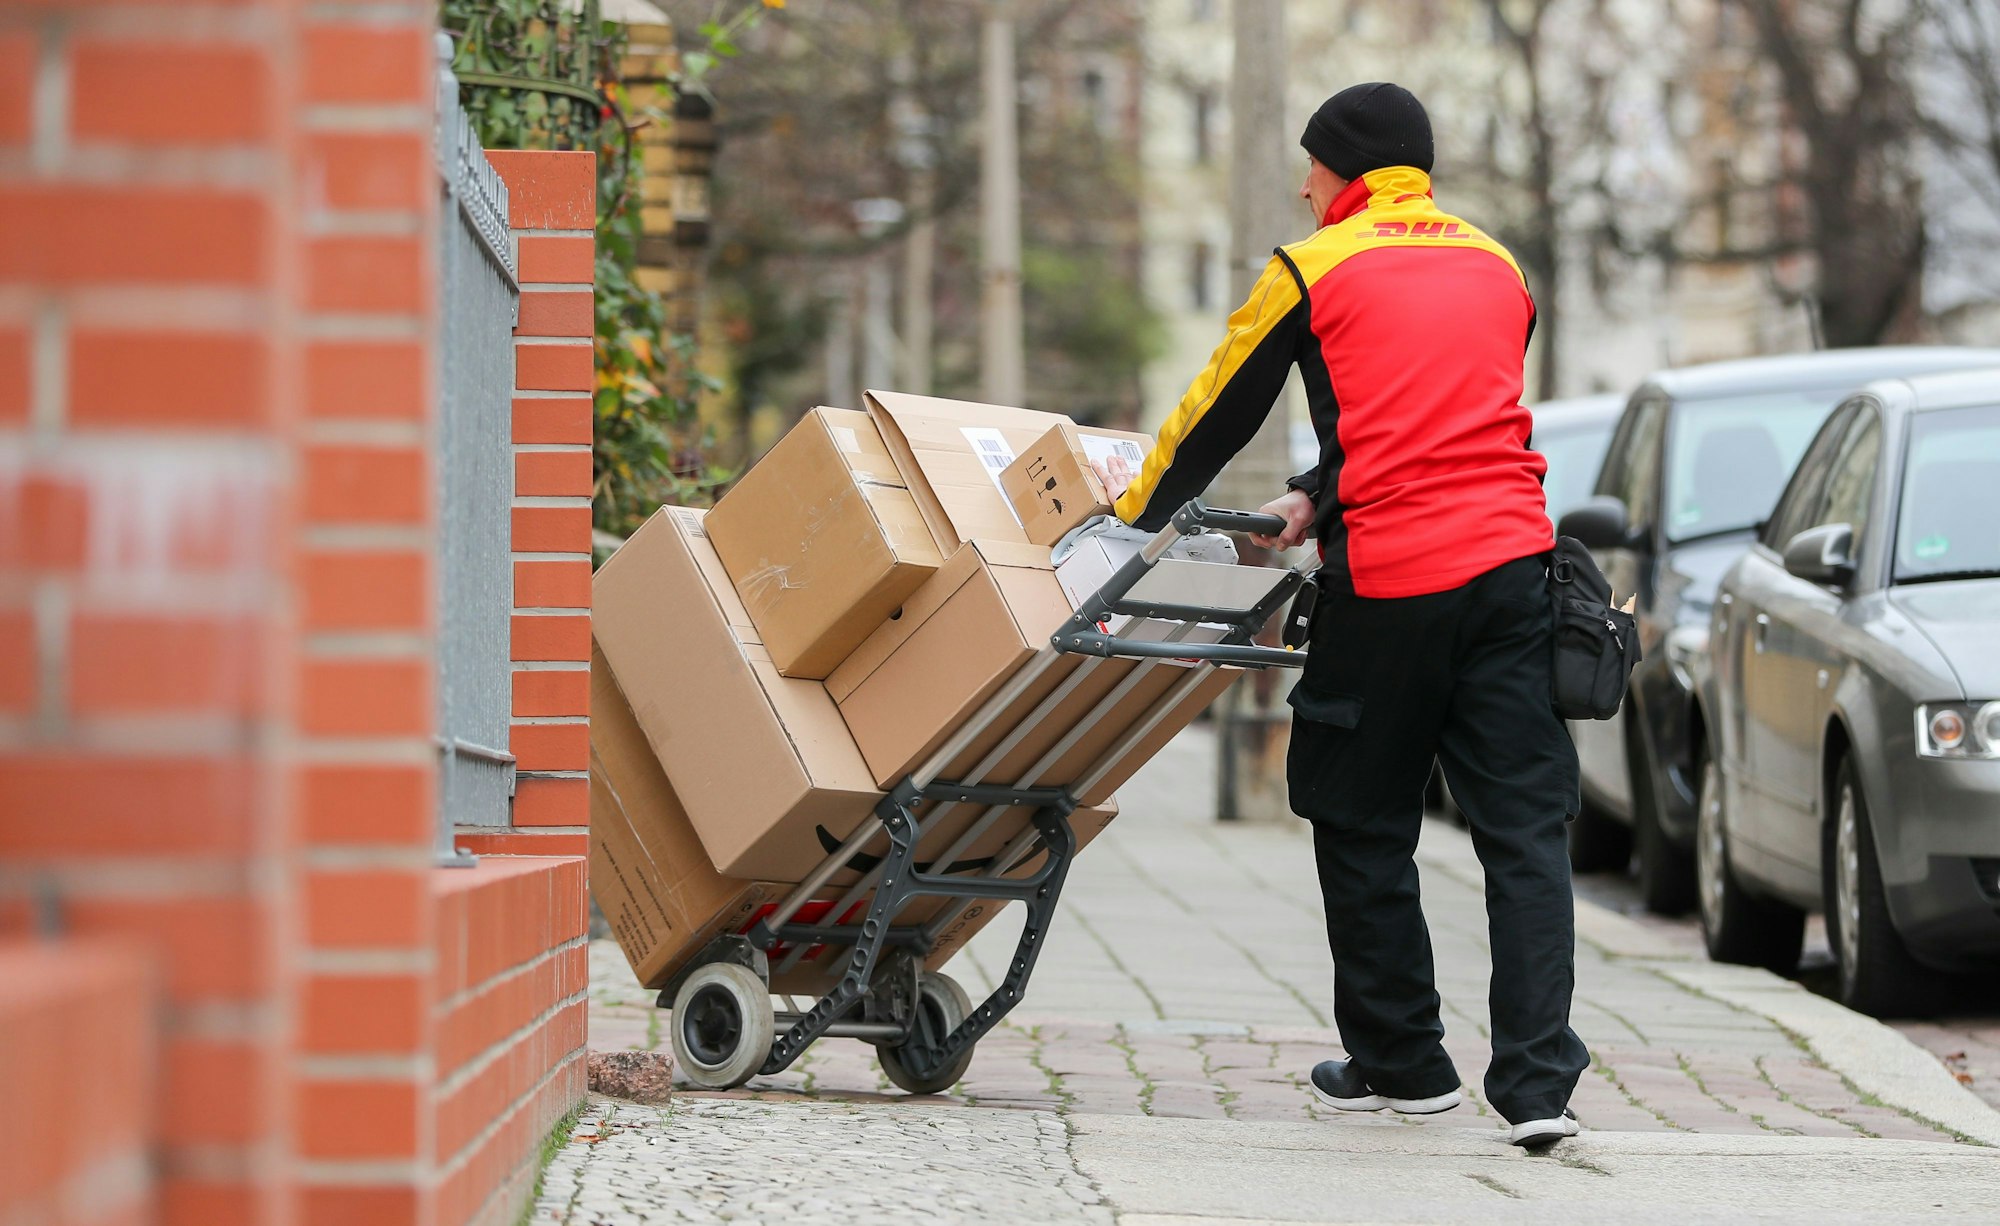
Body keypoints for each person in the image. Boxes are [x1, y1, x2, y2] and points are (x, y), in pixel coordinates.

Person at [1095, 82, 1588, 1148]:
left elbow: (1210, 414)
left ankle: (1403, 1061)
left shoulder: (1309, 267)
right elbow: (1438, 414)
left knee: (1361, 815)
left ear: (1342, 170)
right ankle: (1539, 1084)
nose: (1303, 185)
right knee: (1523, 830)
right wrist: (1316, 493)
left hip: (1397, 581)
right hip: (1513, 573)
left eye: (1310, 166)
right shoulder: (1499, 266)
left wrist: (1121, 517)